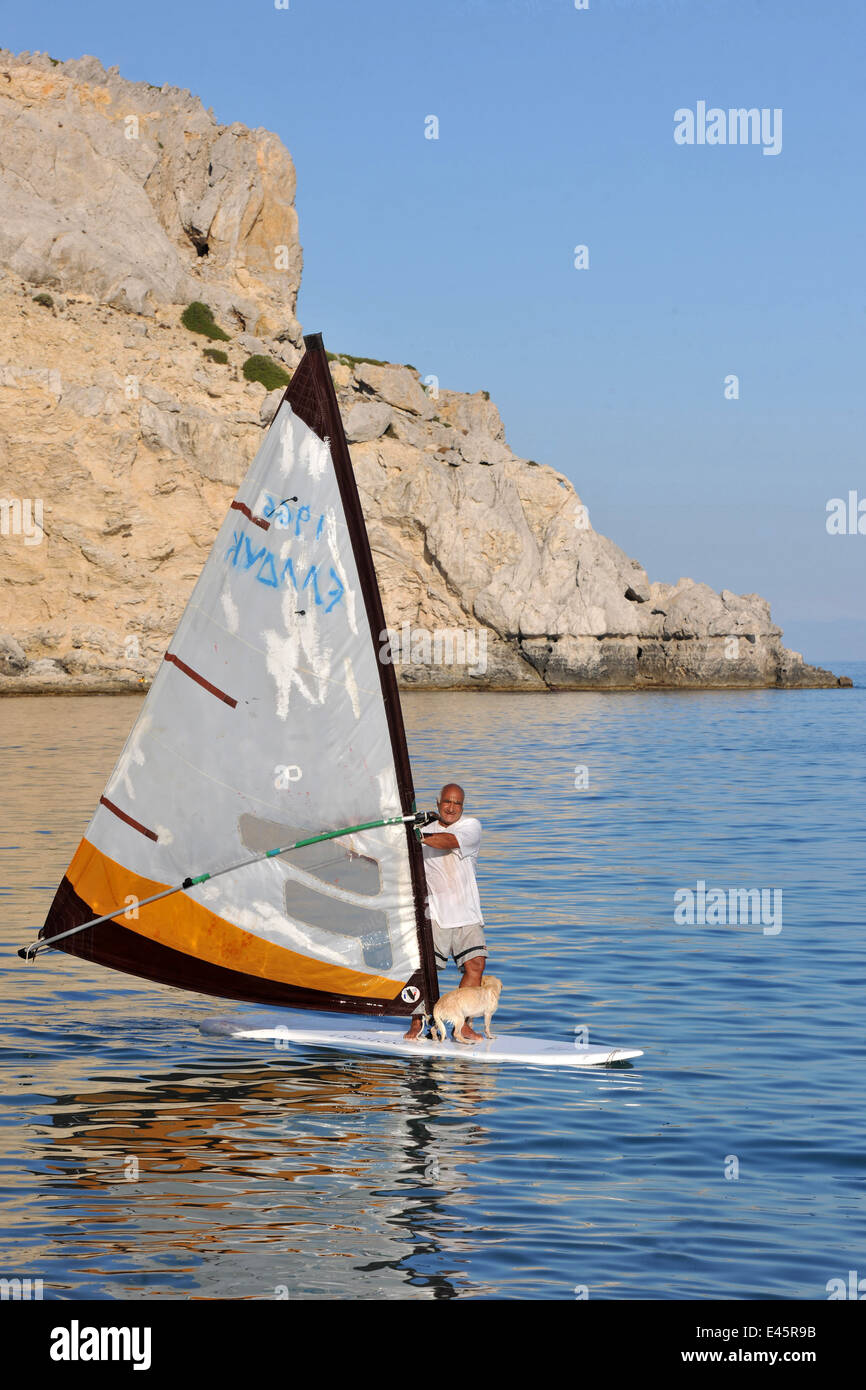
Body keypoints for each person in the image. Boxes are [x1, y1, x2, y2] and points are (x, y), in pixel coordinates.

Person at [404, 782, 488, 1042]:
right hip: (436, 915)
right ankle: (418, 1021)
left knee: (475, 965)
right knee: (425, 971)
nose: (452, 807)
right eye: (447, 802)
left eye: (457, 803)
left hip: (468, 913)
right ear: (438, 802)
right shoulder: (423, 828)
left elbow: (448, 841)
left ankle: (461, 1025)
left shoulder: (471, 827)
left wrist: (416, 836)